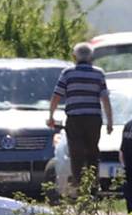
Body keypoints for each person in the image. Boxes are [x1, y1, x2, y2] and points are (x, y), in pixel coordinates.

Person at [47, 42, 115, 192]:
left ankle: (78, 181)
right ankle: (93, 182)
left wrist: (51, 116)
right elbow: (105, 99)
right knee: (92, 150)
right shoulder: (98, 73)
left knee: (76, 149)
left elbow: (56, 96)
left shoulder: (68, 73)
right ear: (91, 57)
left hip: (75, 118)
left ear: (74, 56)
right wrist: (110, 121)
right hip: (93, 118)